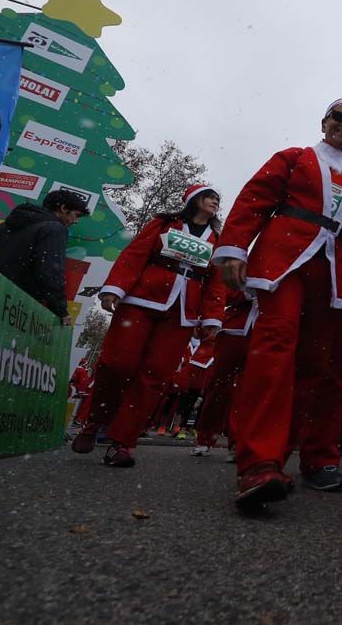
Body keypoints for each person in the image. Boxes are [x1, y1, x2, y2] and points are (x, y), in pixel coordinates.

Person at [213, 98, 342, 510]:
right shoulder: (295, 158)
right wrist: (233, 247)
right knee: (273, 352)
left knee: (322, 370)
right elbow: (255, 198)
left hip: (336, 280)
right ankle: (259, 461)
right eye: (339, 118)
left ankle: (317, 457)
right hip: (285, 264)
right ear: (325, 122)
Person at [71, 185, 226, 466]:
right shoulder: (164, 223)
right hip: (141, 300)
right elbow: (135, 254)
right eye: (209, 196)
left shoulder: (217, 238)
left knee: (154, 377)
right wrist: (114, 288)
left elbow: (216, 282)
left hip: (182, 313)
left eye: (217, 199)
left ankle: (122, 443)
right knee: (117, 364)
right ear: (193, 200)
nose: (215, 201)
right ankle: (94, 423)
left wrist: (212, 317)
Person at [0, 190, 89, 319]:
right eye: (76, 215)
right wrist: (60, 310)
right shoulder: (54, 228)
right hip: (16, 304)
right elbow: (50, 272)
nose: (76, 221)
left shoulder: (5, 225)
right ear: (63, 208)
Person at [190, 287, 259, 458]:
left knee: (250, 391)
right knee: (219, 387)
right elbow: (224, 293)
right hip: (233, 331)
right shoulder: (243, 263)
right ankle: (205, 438)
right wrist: (253, 290)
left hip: (264, 333)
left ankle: (238, 442)